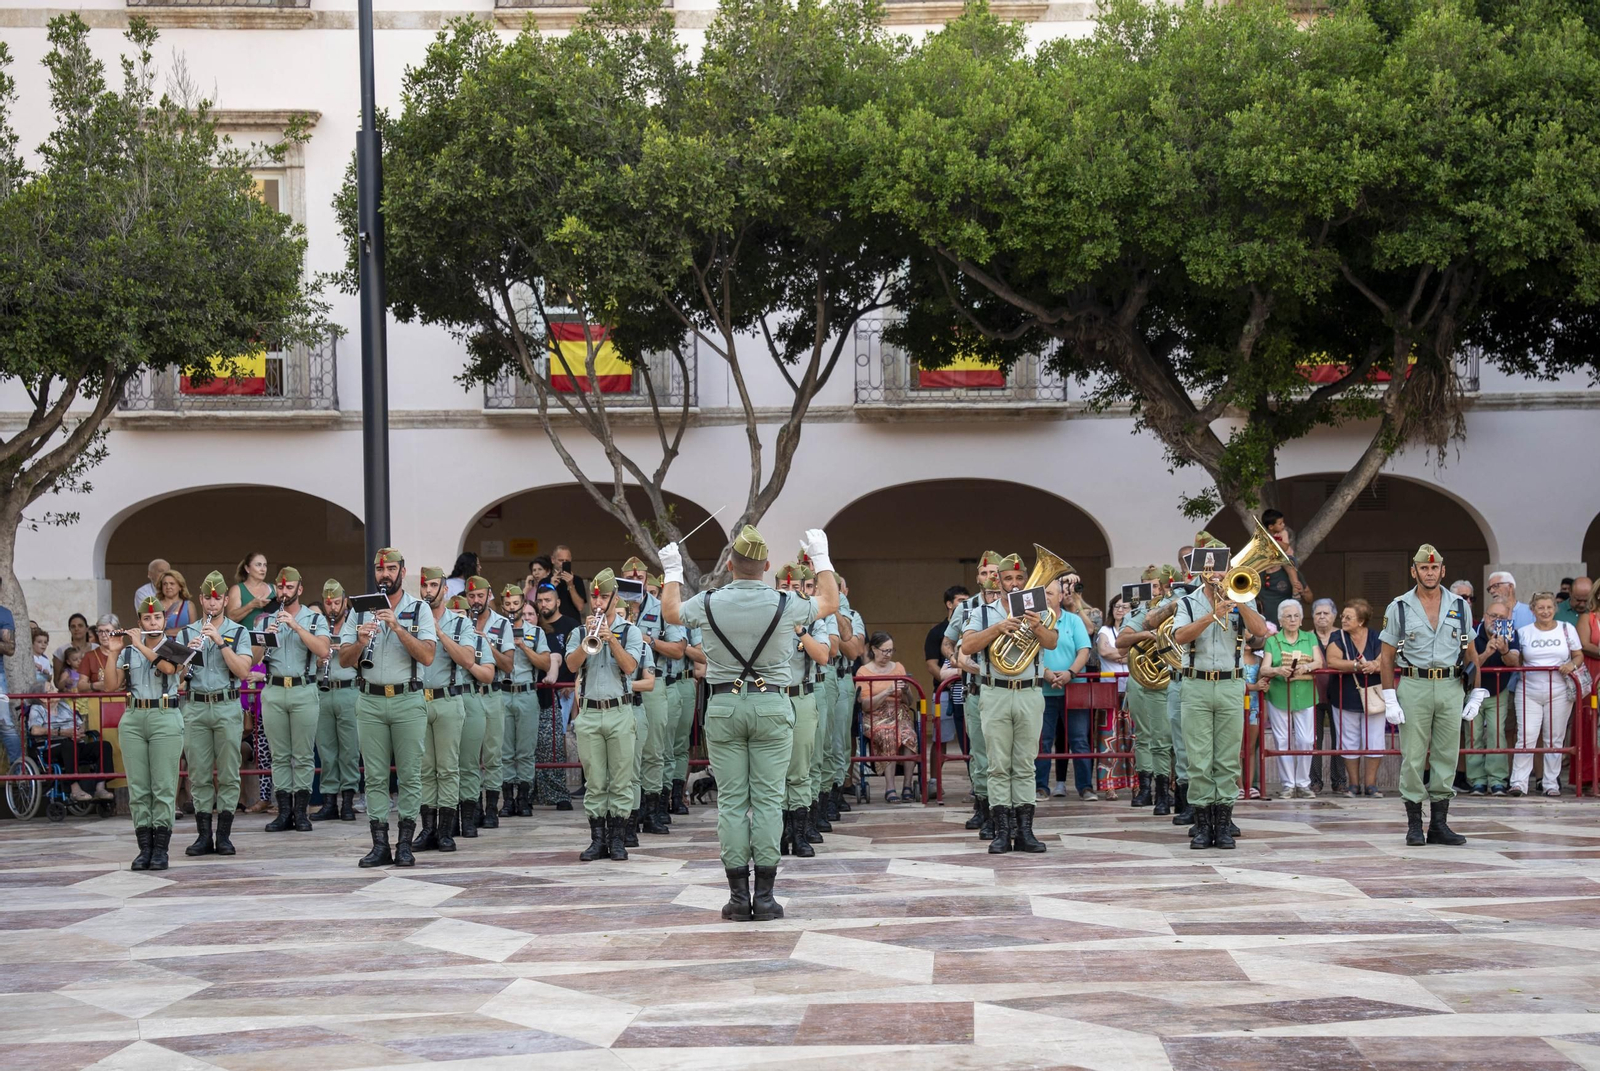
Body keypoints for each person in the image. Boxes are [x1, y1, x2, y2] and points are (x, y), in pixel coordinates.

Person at [663, 525, 836, 920]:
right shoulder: (785, 602)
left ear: (729, 564)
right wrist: (821, 558)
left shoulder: (708, 602)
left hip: (724, 705)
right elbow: (829, 600)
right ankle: (767, 897)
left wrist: (673, 570)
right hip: (772, 705)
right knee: (769, 800)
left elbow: (671, 612)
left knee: (733, 803)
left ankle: (739, 898)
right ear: (767, 567)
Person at [340, 547, 437, 868]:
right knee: (376, 777)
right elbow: (343, 659)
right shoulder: (359, 609)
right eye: (381, 570)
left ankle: (405, 844)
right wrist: (359, 640)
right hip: (369, 700)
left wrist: (396, 627)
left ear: (402, 571)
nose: (386, 575)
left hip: (408, 699)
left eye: (392, 569)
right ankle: (379, 844)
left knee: (410, 775)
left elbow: (427, 656)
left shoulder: (418, 608)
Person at [1171, 535, 1270, 849]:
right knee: (1199, 759)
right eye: (1209, 565)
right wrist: (1212, 614)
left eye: (1221, 565)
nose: (1216, 572)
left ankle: (1224, 824)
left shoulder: (1243, 595)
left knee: (1227, 759)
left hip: (1230, 683)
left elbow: (1261, 632)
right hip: (1196, 683)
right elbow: (1181, 636)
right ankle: (1202, 826)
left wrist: (1238, 601)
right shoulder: (1187, 601)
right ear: (1200, 568)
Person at [1379, 544, 1478, 847]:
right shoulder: (1399, 606)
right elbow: (1386, 657)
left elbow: (1471, 653)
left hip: (1451, 685)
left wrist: (1475, 693)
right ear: (1414, 571)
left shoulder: (1460, 606)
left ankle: (1439, 824)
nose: (1430, 572)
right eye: (1424, 567)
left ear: (1442, 571)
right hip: (1414, 684)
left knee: (1447, 754)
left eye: (1434, 568)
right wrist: (1389, 696)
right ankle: (1413, 825)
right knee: (1413, 755)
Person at [961, 551, 1059, 855]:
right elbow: (967, 645)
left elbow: (1052, 641)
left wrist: (1037, 626)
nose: (1014, 583)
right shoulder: (983, 611)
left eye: (1019, 578)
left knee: (1025, 763)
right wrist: (996, 629)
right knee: (998, 764)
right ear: (998, 581)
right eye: (1008, 578)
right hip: (995, 691)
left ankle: (1025, 831)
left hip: (1029, 691)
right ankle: (1002, 831)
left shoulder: (1038, 609)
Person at [566, 568, 645, 862]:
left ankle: (618, 838)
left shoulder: (630, 631)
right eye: (594, 596)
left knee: (621, 780)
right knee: (596, 781)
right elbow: (572, 666)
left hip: (620, 711)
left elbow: (629, 667)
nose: (597, 603)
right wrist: (587, 640)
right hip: (589, 713)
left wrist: (611, 640)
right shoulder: (579, 631)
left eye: (603, 597)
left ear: (615, 599)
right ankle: (597, 840)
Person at [176, 572, 253, 856]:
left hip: (226, 705)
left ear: (224, 599)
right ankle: (203, 835)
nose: (211, 603)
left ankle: (224, 836)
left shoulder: (239, 631)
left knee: (230, 773)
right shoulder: (186, 633)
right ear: (201, 599)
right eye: (207, 598)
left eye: (216, 598)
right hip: (195, 706)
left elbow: (243, 671)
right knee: (198, 773)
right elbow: (176, 677)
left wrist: (221, 642)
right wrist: (186, 656)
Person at [105, 598, 185, 870]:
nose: (153, 623)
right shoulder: (128, 654)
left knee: (162, 786)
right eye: (148, 619)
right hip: (134, 717)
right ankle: (144, 848)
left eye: (158, 618)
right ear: (139, 622)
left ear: (164, 620)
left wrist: (139, 644)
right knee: (138, 788)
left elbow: (169, 668)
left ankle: (161, 849)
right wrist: (114, 652)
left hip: (165, 716)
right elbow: (110, 685)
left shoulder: (173, 646)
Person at [413, 575, 491, 853]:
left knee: (447, 767)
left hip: (448, 698)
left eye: (434, 585)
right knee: (424, 769)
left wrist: (440, 634)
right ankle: (428, 829)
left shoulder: (461, 623)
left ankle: (446, 831)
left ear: (444, 590)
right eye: (424, 586)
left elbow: (468, 660)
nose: (428, 591)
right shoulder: (412, 618)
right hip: (419, 698)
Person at [257, 567, 331, 834]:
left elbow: (323, 650)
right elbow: (252, 660)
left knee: (302, 754)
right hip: (274, 688)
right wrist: (266, 636)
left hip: (303, 687)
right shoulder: (266, 620)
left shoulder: (313, 619)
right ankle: (283, 811)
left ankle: (301, 812)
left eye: (290, 588)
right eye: (280, 588)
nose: (284, 593)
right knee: (279, 755)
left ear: (299, 589)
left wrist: (295, 626)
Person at [944, 552, 1004, 838]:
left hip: (1005, 688)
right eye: (985, 573)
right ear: (978, 577)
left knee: (1003, 755)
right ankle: (984, 808)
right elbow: (947, 642)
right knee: (980, 754)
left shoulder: (1014, 605)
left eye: (996, 572)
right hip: (977, 689)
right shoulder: (966, 607)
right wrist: (956, 658)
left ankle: (1005, 809)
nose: (990, 578)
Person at [622, 556, 683, 836]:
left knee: (654, 750)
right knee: (627, 750)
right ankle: (628, 812)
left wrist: (651, 641)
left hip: (654, 682)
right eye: (630, 579)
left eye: (640, 578)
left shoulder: (661, 609)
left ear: (647, 579)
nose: (636, 583)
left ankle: (653, 810)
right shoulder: (615, 609)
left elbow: (679, 649)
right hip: (621, 685)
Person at [1116, 566, 1178, 812]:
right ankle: (1144, 789)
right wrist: (1147, 634)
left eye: (1153, 585)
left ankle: (1166, 790)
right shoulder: (1139, 611)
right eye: (1145, 584)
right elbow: (1121, 643)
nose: (1149, 590)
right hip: (1140, 678)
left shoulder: (1176, 605)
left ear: (1164, 586)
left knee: (1164, 737)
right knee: (1142, 736)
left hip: (1166, 678)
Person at [1511, 592, 1584, 797]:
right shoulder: (1524, 631)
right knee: (1526, 736)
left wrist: (1570, 664)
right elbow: (1517, 660)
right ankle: (1519, 782)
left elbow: (1578, 655)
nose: (1545, 611)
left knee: (1554, 738)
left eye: (1549, 607)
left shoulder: (1566, 629)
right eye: (1540, 608)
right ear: (1533, 610)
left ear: (1555, 609)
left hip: (1559, 691)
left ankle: (1551, 783)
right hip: (1528, 691)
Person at [464, 575, 515, 829]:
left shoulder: (502, 624)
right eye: (471, 596)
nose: (475, 601)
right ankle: (472, 807)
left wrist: (485, 642)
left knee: (494, 754)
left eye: (480, 596)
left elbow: (508, 664)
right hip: (469, 693)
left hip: (493, 694)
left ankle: (492, 807)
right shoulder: (460, 622)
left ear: (489, 595)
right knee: (470, 755)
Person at [498, 583, 553, 818]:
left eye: (516, 603)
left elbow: (545, 664)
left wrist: (523, 646)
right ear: (502, 606)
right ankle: (507, 799)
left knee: (526, 750)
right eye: (508, 604)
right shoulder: (497, 629)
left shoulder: (536, 632)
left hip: (527, 692)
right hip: (502, 692)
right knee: (504, 750)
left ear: (523, 603)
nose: (512, 608)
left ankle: (524, 798)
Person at [227, 551, 275, 815]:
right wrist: (252, 606)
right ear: (246, 567)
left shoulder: (275, 590)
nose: (263, 568)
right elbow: (231, 617)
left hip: (268, 653)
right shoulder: (238, 589)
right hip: (242, 652)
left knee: (270, 733)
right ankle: (260, 795)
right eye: (258, 564)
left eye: (265, 564)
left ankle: (281, 797)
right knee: (255, 732)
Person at [1322, 599, 1385, 797]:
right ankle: (1353, 785)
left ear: (1361, 621)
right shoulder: (1337, 636)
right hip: (1345, 695)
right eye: (1343, 616)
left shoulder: (1377, 637)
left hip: (1373, 695)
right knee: (1348, 740)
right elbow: (1332, 660)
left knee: (1374, 739)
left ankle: (1371, 785)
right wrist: (1357, 666)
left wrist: (1375, 664)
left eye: (1348, 617)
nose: (1343, 620)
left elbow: (1386, 658)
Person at [1261, 599, 1322, 799]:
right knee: (1283, 740)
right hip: (1279, 694)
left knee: (1306, 740)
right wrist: (1278, 669)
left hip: (1305, 693)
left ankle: (1303, 783)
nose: (1293, 619)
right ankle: (1288, 784)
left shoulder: (1309, 638)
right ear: (1280, 620)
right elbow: (1264, 668)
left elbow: (1319, 661)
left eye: (1296, 616)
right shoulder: (1272, 640)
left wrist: (1307, 667)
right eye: (1288, 616)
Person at [312, 580, 361, 822]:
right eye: (328, 603)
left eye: (337, 602)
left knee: (349, 748)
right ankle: (329, 800)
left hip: (348, 690)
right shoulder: (319, 624)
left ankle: (349, 802)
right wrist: (319, 661)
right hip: (323, 689)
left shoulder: (354, 624)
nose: (332, 608)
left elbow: (363, 663)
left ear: (345, 601)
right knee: (327, 749)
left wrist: (343, 652)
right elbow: (309, 658)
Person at [1465, 599, 1521, 796]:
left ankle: (1497, 780)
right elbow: (1469, 666)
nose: (1497, 620)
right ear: (1485, 616)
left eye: (1502, 618)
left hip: (1499, 690)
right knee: (1473, 735)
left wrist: (1504, 650)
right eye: (1493, 616)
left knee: (1497, 734)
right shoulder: (1472, 633)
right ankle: (1477, 781)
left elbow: (1514, 662)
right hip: (1474, 691)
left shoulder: (1510, 633)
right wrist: (1487, 652)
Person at [857, 630, 919, 804]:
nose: (888, 655)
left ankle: (907, 785)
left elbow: (909, 701)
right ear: (874, 650)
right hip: (875, 714)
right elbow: (865, 705)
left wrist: (906, 690)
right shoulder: (863, 672)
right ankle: (890, 787)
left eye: (891, 650)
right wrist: (886, 692)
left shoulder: (898, 667)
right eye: (884, 651)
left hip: (898, 712)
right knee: (888, 734)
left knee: (909, 735)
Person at [1307, 598, 1348, 795]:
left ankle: (1339, 780)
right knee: (1315, 738)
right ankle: (1314, 781)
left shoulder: (1343, 636)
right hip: (1312, 693)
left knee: (1339, 737)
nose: (1322, 617)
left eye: (1326, 613)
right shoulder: (1307, 637)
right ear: (1313, 617)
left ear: (1334, 616)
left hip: (1339, 693)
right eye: (1318, 613)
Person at [550, 545, 591, 622]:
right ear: (553, 560)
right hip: (551, 625)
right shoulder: (545, 581)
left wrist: (571, 585)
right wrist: (551, 587)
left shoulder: (577, 580)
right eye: (561, 560)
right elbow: (541, 607)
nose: (564, 564)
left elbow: (580, 607)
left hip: (573, 625)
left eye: (567, 561)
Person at [51, 613, 95, 680]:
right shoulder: (61, 650)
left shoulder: (97, 648)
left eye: (80, 626)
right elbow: (57, 680)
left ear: (87, 628)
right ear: (69, 629)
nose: (76, 629)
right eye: (73, 626)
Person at [156, 569, 196, 637]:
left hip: (184, 645)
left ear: (180, 587)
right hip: (162, 645)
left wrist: (168, 632)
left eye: (172, 584)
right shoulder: (156, 606)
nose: (168, 587)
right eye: (165, 584)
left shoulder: (189, 605)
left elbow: (194, 630)